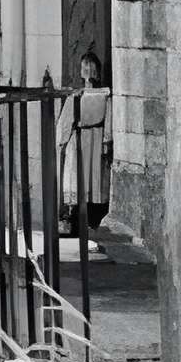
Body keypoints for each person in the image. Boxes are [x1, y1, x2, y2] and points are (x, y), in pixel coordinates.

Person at [57, 48, 112, 234]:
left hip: (81, 138)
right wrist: (106, 140)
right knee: (91, 179)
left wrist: (61, 141)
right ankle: (91, 220)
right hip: (96, 139)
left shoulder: (77, 96)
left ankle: (80, 221)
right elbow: (109, 122)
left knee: (80, 179)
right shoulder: (106, 95)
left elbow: (65, 122)